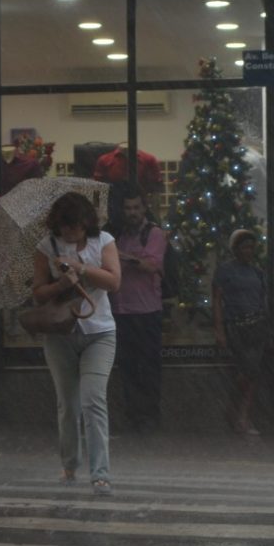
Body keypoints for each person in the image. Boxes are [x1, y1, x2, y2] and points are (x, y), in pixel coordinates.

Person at [30, 191, 122, 496]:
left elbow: (113, 280)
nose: (73, 233)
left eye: (78, 228)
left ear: (87, 225)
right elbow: (39, 293)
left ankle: (100, 473)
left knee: (93, 400)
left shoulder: (103, 241)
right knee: (68, 404)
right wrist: (61, 283)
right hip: (60, 334)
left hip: (99, 332)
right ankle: (69, 464)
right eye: (67, 227)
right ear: (58, 225)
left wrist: (80, 268)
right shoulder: (46, 247)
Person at [109, 183, 166, 432]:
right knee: (128, 367)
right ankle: (133, 416)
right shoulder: (118, 235)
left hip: (147, 313)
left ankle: (150, 415)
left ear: (144, 209)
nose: (132, 212)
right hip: (122, 312)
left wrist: (121, 257)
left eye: (136, 208)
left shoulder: (153, 234)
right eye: (128, 208)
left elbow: (151, 265)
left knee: (149, 366)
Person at [212, 228, 267, 436]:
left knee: (251, 373)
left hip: (256, 326)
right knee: (245, 372)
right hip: (235, 326)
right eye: (244, 247)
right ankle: (236, 411)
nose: (248, 251)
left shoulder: (257, 272)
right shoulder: (225, 271)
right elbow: (216, 299)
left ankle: (242, 414)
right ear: (235, 249)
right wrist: (219, 329)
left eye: (251, 247)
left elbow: (262, 299)